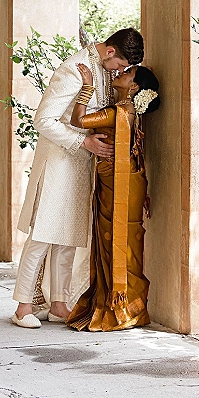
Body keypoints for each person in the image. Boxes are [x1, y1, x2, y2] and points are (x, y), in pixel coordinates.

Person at [12, 28, 144, 328]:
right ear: (109, 52)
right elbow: (42, 120)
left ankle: (59, 304)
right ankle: (22, 307)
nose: (120, 72)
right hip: (59, 162)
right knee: (43, 236)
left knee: (68, 237)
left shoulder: (103, 71)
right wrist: (84, 142)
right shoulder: (73, 70)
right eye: (121, 65)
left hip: (81, 166)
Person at [67, 62, 160, 331]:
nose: (121, 72)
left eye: (128, 72)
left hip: (119, 181)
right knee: (123, 238)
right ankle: (129, 307)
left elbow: (78, 121)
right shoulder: (131, 111)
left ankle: (124, 308)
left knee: (118, 239)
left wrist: (86, 89)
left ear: (134, 87)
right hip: (124, 179)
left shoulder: (118, 112)